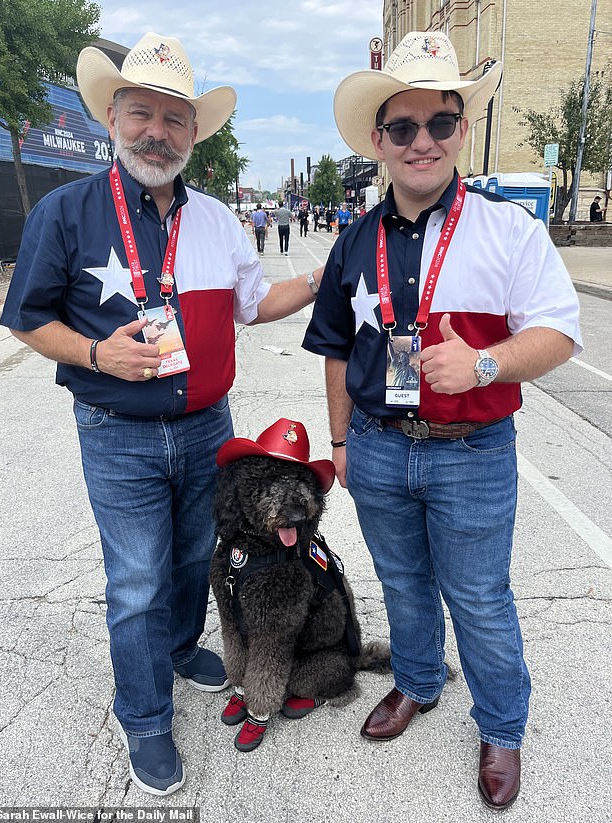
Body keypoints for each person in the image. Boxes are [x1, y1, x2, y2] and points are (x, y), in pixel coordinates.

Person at [0, 31, 323, 798]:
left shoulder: (215, 219)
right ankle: (142, 712)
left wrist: (316, 276)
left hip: (209, 430)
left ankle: (181, 648)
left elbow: (254, 302)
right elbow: (24, 317)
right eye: (141, 113)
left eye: (174, 120)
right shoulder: (64, 211)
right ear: (112, 119)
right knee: (138, 578)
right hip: (118, 433)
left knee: (186, 561)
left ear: (193, 134)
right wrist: (93, 354)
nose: (157, 131)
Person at [303, 30, 582, 812]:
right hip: (379, 448)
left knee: (480, 596)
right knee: (402, 582)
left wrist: (485, 363)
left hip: (473, 451)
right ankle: (419, 684)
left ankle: (501, 725)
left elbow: (560, 330)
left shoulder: (509, 231)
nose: (421, 141)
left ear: (461, 129)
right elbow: (331, 350)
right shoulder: (352, 242)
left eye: (439, 123)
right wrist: (338, 443)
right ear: (378, 140)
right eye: (403, 127)